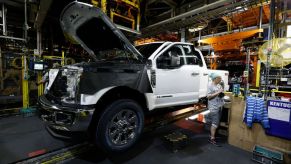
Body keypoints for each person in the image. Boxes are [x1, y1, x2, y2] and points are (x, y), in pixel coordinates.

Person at [207, 73, 224, 146]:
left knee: (216, 123)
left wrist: (222, 95)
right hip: (213, 107)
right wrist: (218, 92)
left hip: (219, 106)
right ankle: (212, 138)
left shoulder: (219, 85)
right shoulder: (210, 85)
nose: (220, 79)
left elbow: (220, 94)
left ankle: (212, 135)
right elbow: (209, 97)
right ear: (215, 79)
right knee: (215, 123)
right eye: (219, 78)